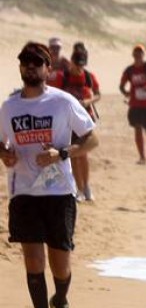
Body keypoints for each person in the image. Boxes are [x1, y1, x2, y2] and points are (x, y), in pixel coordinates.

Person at [1, 42, 99, 308]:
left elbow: (92, 139)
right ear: (20, 68)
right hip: (24, 192)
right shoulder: (10, 107)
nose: (30, 66)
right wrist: (4, 154)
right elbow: (0, 143)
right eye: (25, 62)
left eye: (36, 62)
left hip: (59, 192)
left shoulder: (62, 101)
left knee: (61, 263)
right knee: (33, 260)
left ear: (47, 68)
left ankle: (60, 301)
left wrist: (61, 153)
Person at [48, 50, 101, 201]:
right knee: (73, 155)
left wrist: (87, 102)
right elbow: (52, 93)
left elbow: (98, 94)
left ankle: (86, 186)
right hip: (66, 121)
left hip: (85, 119)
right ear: (71, 61)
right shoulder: (62, 77)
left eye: (82, 65)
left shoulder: (89, 76)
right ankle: (79, 189)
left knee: (83, 154)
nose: (79, 68)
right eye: (77, 65)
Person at [119, 44, 146, 164]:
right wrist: (126, 93)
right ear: (133, 55)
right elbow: (121, 86)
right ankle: (142, 157)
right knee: (137, 129)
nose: (138, 55)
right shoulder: (129, 70)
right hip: (135, 105)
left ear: (143, 54)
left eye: (140, 53)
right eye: (136, 53)